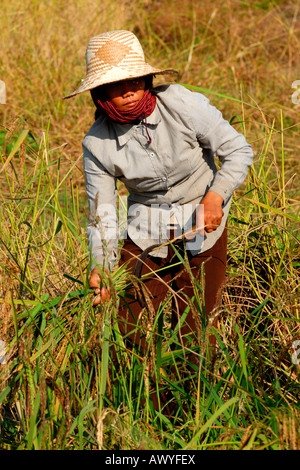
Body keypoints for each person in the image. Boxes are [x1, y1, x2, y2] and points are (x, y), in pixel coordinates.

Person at [64, 30, 253, 408]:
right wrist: (101, 266)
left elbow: (238, 151)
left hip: (205, 223)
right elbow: (102, 211)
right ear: (99, 95)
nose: (129, 90)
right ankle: (133, 408)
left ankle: (190, 410)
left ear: (147, 79)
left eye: (134, 79)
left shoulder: (181, 104)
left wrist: (214, 197)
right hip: (146, 230)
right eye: (116, 85)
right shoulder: (97, 143)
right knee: (129, 326)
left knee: (196, 327)